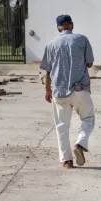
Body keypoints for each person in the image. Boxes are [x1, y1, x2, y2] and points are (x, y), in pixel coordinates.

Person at [40, 15, 95, 169]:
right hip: (80, 89)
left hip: (59, 91)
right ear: (72, 25)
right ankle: (80, 143)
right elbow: (90, 64)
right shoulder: (82, 39)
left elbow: (47, 71)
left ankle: (67, 161)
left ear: (59, 28)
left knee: (62, 126)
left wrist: (47, 90)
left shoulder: (51, 45)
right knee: (88, 118)